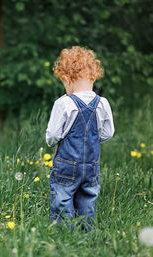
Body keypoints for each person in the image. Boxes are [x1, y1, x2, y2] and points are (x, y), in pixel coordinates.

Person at [45, 46, 114, 231]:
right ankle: (86, 232)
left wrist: (52, 143)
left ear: (67, 79)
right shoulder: (103, 103)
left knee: (62, 196)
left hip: (67, 163)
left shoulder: (64, 103)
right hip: (92, 164)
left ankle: (65, 232)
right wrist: (91, 141)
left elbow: (52, 135)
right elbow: (108, 133)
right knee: (88, 198)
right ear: (93, 76)